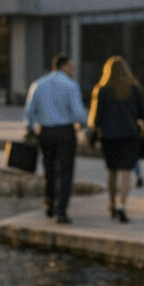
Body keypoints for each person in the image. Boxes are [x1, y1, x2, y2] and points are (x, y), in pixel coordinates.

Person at [23, 54, 88, 224]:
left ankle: (49, 202)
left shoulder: (38, 84)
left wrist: (30, 128)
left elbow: (29, 112)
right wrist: (85, 124)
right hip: (65, 132)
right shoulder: (71, 85)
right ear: (64, 66)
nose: (72, 70)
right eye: (71, 67)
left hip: (45, 132)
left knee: (49, 168)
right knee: (66, 171)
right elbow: (78, 113)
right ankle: (62, 211)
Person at [89, 55, 144, 223]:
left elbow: (97, 117)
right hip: (129, 135)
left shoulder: (102, 89)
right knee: (126, 173)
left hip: (109, 136)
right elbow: (142, 114)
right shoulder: (134, 88)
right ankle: (122, 205)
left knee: (112, 172)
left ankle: (112, 204)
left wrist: (93, 134)